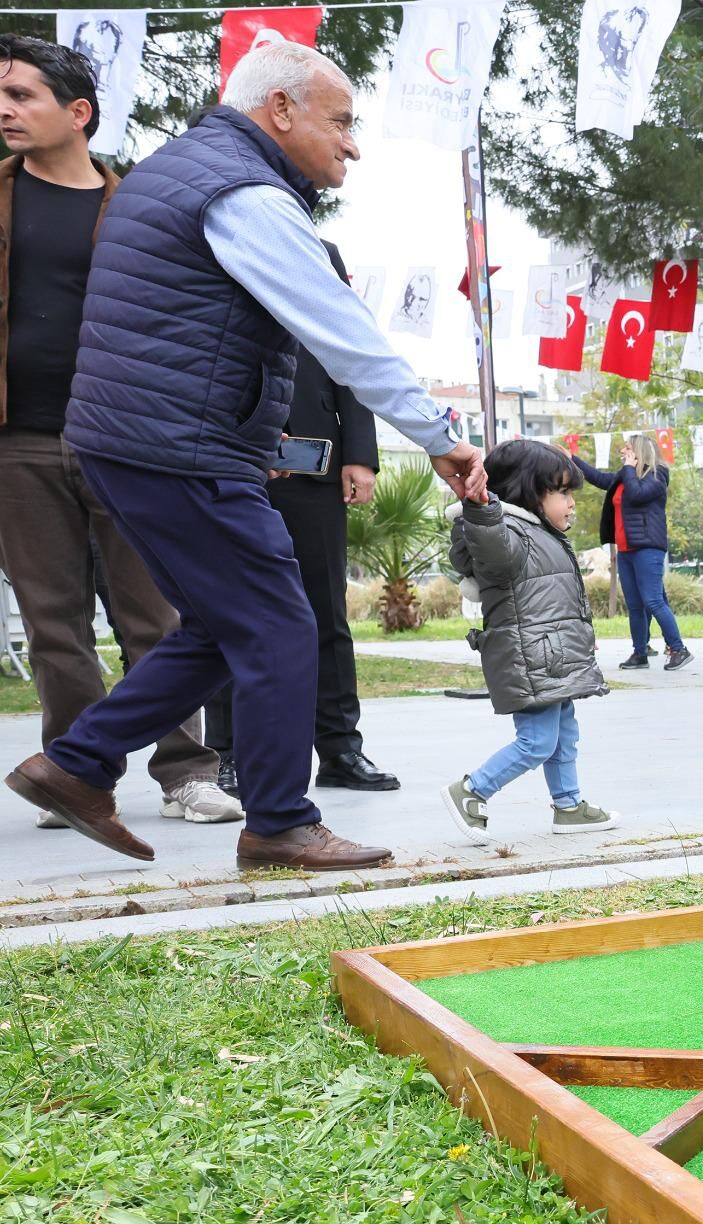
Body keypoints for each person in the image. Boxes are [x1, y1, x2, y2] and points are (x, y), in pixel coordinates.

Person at [3, 40, 485, 872]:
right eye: (342, 122)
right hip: (180, 447)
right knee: (280, 624)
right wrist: (440, 436)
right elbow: (341, 331)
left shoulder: (171, 170)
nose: (353, 145)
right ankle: (280, 823)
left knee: (226, 626)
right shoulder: (245, 193)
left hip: (133, 440)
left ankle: (76, 764)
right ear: (280, 110)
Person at [0, 37, 236, 831]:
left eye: (22, 95)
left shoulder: (138, 204)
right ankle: (75, 772)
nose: (5, 110)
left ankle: (186, 773)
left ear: (79, 112)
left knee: (157, 616)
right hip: (19, 440)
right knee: (53, 623)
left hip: (128, 436)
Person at [204, 238, 399, 795]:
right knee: (230, 614)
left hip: (316, 466)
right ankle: (228, 753)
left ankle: (339, 749)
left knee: (325, 613)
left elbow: (349, 350)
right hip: (231, 459)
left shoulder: (320, 251)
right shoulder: (216, 239)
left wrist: (360, 453)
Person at [439, 440, 614, 843]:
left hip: (552, 657)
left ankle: (569, 806)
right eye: (562, 492)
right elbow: (493, 549)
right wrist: (481, 506)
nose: (571, 502)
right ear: (528, 492)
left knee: (564, 736)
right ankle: (472, 790)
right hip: (530, 660)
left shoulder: (542, 534)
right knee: (537, 742)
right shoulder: (508, 534)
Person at [572, 432, 686, 671]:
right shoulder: (626, 476)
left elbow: (637, 494)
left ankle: (678, 649)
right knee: (635, 605)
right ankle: (640, 653)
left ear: (638, 452)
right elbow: (599, 478)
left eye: (626, 448)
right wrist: (571, 458)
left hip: (647, 549)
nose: (622, 451)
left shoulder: (657, 475)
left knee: (653, 600)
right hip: (625, 550)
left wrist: (628, 470)